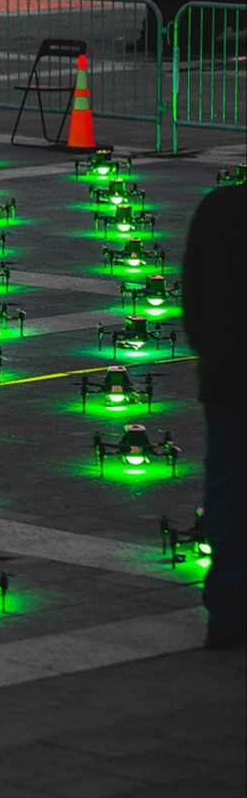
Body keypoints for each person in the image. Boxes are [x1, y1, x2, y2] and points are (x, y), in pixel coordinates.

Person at [182, 183, 247, 650]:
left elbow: (193, 293)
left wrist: (210, 351)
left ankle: (227, 610)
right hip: (226, 372)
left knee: (228, 491)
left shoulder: (219, 206)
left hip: (227, 376)